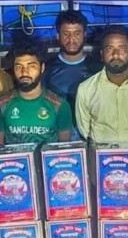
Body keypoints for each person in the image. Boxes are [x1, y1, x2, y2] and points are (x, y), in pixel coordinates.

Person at [0, 38, 73, 146]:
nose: (24, 72)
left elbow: (64, 149)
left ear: (42, 68)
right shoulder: (0, 104)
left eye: (31, 66)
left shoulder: (60, 105)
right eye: (19, 67)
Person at [42, 10, 101, 141]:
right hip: (56, 141)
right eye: (66, 34)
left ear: (84, 35)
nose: (71, 39)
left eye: (77, 33)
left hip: (91, 139)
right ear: (58, 36)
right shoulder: (47, 69)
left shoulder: (97, 69)